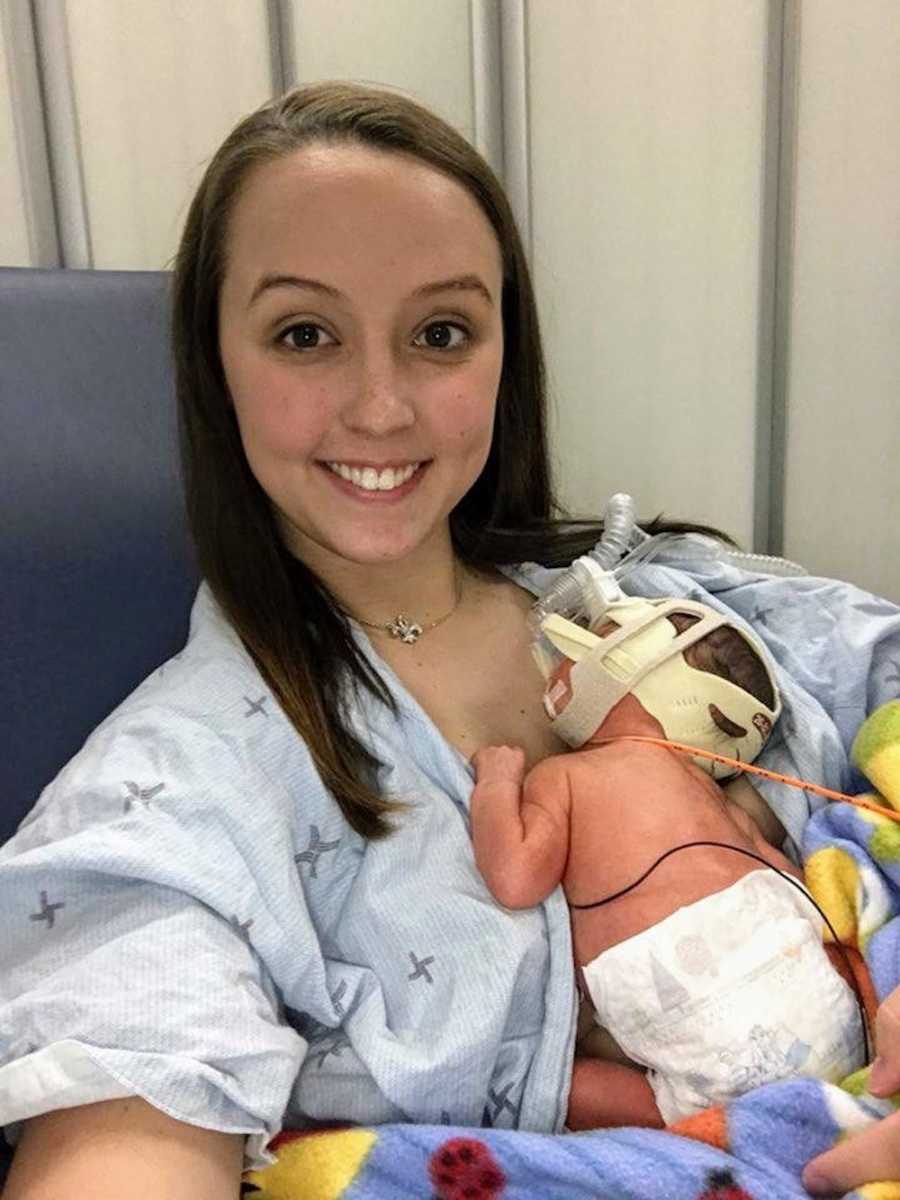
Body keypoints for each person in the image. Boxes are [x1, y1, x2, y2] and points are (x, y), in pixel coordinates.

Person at [1, 81, 898, 1200]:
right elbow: (126, 1098)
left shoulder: (662, 601)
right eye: (305, 334)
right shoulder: (185, 789)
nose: (382, 408)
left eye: (439, 333)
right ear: (213, 362)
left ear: (501, 354)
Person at [471, 597, 865, 1130]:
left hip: (695, 1014)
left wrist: (497, 780)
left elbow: (516, 880)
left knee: (564, 1087)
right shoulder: (708, 792)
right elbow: (783, 877)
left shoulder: (564, 776)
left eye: (597, 639)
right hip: (825, 1010)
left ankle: (716, 1133)